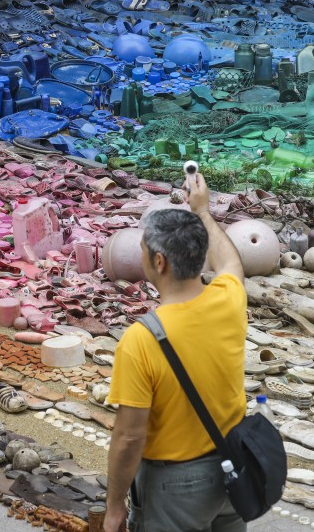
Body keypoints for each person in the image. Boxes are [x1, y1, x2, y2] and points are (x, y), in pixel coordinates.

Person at [104, 173, 247, 532]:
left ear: (160, 262)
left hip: (177, 487)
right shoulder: (229, 299)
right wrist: (203, 211)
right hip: (235, 466)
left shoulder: (141, 340)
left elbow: (129, 437)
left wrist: (114, 506)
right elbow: (231, 263)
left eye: (143, 251)